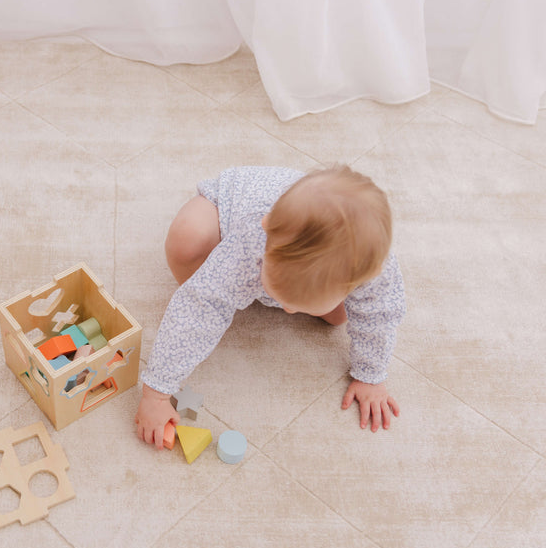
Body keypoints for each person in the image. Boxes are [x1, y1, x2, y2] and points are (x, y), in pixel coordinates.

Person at [135, 165, 406, 448]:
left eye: (292, 304)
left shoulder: (376, 271)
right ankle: (221, 276)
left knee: (341, 317)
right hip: (228, 209)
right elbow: (198, 307)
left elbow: (379, 320)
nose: (287, 311)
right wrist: (157, 392)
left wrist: (371, 376)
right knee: (187, 239)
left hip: (304, 254)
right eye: (282, 297)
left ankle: (264, 287)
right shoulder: (254, 235)